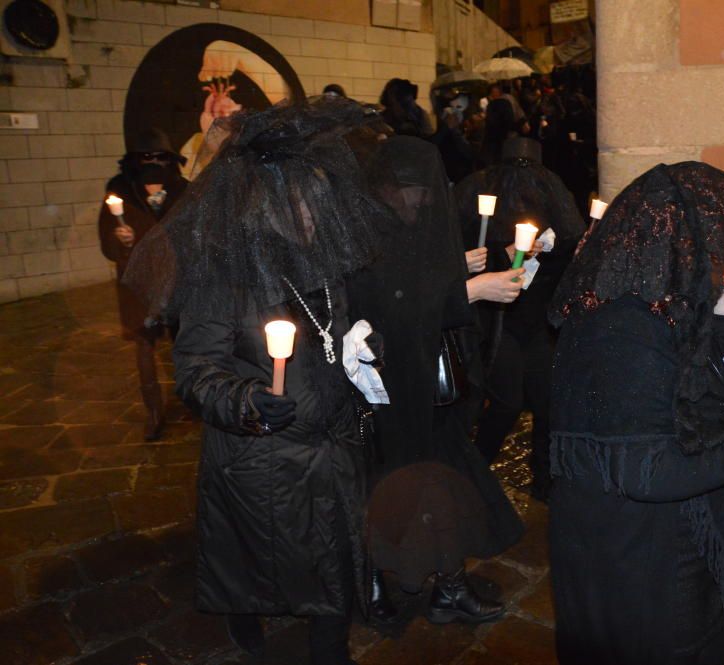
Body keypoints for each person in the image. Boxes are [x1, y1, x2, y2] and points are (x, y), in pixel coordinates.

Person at [124, 97, 392, 665]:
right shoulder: (224, 271)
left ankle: (330, 647)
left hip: (332, 446)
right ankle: (243, 612)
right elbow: (196, 370)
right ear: (262, 204)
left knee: (333, 562)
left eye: (315, 202)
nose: (310, 216)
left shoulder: (325, 262)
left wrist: (364, 351)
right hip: (263, 454)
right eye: (296, 203)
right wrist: (246, 402)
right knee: (252, 555)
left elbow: (334, 333)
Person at [546, 162, 724, 665]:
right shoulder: (620, 328)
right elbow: (650, 471)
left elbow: (700, 397)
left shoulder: (661, 304)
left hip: (663, 537)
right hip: (633, 552)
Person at [348, 136, 525, 625]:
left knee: (443, 489)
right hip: (385, 394)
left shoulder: (417, 222)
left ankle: (449, 583)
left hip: (429, 390)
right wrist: (467, 290)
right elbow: (383, 306)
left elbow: (419, 279)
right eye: (406, 190)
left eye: (424, 191)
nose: (417, 200)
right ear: (382, 188)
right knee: (387, 494)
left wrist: (465, 267)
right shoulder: (363, 232)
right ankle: (376, 580)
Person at [454, 137, 585, 500]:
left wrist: (554, 250)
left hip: (538, 322)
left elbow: (568, 259)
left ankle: (545, 481)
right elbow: (464, 258)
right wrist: (502, 254)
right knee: (507, 401)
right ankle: (473, 475)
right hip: (498, 322)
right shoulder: (477, 197)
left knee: (547, 403)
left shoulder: (555, 202)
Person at [98, 129, 188, 441]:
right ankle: (153, 411)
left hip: (176, 280)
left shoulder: (184, 190)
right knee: (145, 344)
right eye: (146, 157)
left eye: (160, 157)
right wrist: (119, 239)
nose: (153, 162)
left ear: (170, 159)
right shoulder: (119, 189)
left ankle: (191, 396)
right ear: (135, 159)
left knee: (185, 342)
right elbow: (107, 241)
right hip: (138, 281)